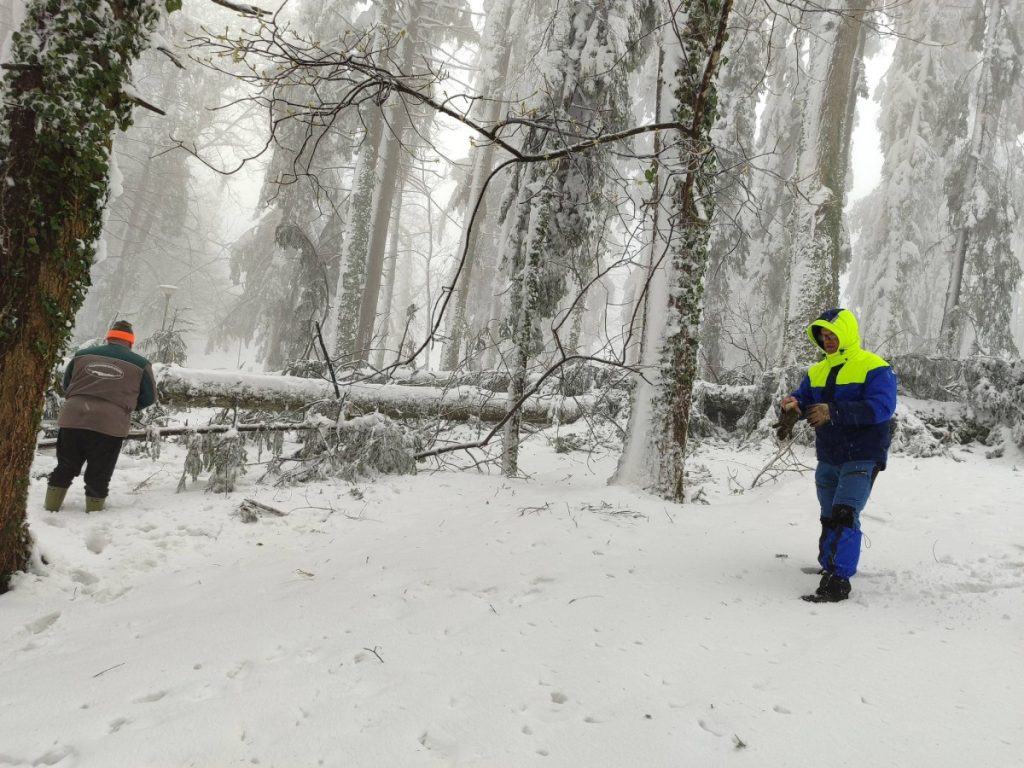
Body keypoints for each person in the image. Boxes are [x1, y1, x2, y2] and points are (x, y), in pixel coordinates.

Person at [777, 308, 897, 603]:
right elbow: (804, 398)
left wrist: (835, 411)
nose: (828, 340)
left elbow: (882, 407)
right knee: (829, 514)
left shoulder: (874, 367)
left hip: (863, 453)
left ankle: (839, 581)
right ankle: (829, 565)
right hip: (829, 454)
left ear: (847, 333)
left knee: (845, 513)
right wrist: (792, 405)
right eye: (823, 336)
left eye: (833, 334)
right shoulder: (817, 371)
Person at [45, 320, 157, 512]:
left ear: (109, 337)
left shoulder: (81, 356)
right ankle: (93, 512)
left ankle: (51, 507)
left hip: (74, 417)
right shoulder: (141, 364)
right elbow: (149, 397)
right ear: (130, 342)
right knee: (100, 471)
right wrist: (124, 406)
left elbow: (67, 386)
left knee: (65, 465)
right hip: (110, 424)